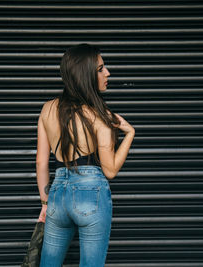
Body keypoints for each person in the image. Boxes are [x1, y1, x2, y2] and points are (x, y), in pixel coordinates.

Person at [35, 43, 135, 267]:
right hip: (91, 193)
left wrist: (44, 203)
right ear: (85, 74)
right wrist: (130, 134)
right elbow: (109, 170)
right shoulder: (101, 115)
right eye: (100, 69)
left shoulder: (47, 109)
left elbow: (42, 162)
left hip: (57, 195)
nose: (107, 73)